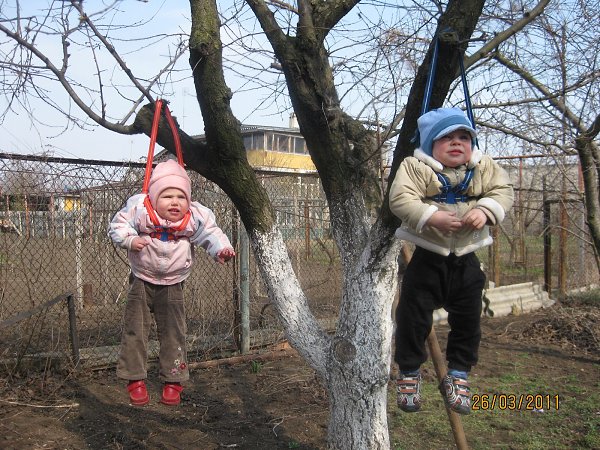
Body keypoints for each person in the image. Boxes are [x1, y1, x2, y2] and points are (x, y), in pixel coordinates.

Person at [388, 107, 514, 414]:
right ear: (430, 144)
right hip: (428, 258)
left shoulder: (483, 166)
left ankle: (458, 372)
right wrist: (430, 216)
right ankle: (409, 371)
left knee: (469, 319)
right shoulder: (416, 167)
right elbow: (400, 198)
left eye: (464, 137)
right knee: (412, 317)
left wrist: (485, 210)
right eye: (447, 138)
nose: (457, 142)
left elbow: (504, 191)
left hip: (467, 259)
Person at [108, 159, 236, 406]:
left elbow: (211, 233)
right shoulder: (141, 209)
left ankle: (173, 380)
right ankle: (134, 379)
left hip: (174, 282)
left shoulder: (193, 216)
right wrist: (130, 240)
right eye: (167, 196)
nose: (175, 202)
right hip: (142, 279)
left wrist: (221, 249)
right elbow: (118, 225)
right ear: (154, 198)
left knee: (173, 332)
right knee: (135, 329)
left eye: (181, 197)